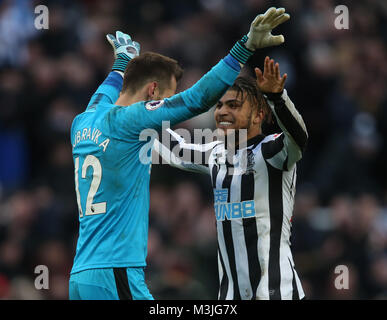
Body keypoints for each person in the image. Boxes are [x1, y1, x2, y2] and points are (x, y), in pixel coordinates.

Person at [68, 8, 291, 300]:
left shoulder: (82, 121)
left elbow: (106, 92)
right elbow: (197, 99)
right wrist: (245, 46)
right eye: (164, 98)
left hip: (81, 275)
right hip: (116, 271)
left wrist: (122, 60)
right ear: (153, 91)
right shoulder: (130, 121)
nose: (164, 107)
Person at [154, 56, 308, 300]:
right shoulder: (215, 154)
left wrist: (278, 99)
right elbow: (174, 149)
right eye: (219, 105)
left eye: (234, 105)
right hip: (230, 296)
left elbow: (299, 137)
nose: (222, 111)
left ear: (258, 115)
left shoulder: (272, 153)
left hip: (279, 293)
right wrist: (139, 108)